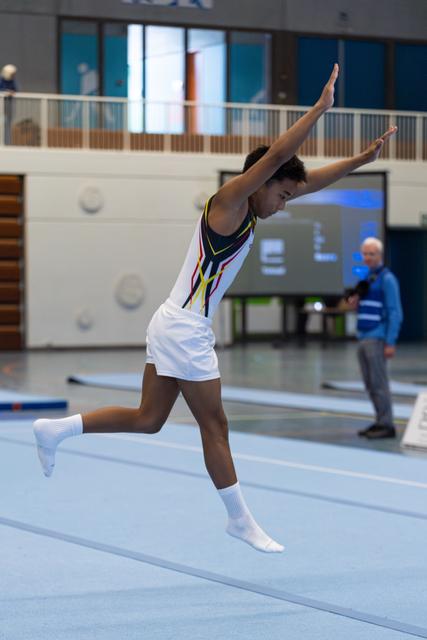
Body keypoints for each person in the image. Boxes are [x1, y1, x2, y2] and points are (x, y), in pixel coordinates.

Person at [33, 64, 397, 553]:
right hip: (184, 328)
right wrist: (318, 110)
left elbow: (309, 179)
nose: (286, 203)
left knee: (148, 419)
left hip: (174, 320)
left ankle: (57, 429)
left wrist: (362, 158)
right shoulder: (227, 203)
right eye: (283, 194)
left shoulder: (255, 209)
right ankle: (239, 518)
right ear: (261, 180)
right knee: (215, 424)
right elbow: (281, 156)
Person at [348, 237, 403, 439]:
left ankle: (387, 425)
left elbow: (394, 311)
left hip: (377, 337)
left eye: (372, 254)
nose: (368, 257)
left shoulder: (387, 279)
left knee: (379, 383)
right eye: (365, 253)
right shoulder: (368, 279)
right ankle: (380, 420)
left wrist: (390, 341)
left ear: (380, 255)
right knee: (370, 383)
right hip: (363, 335)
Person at [0, 64, 18, 145]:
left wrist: (11, 92)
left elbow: (15, 89)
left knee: (7, 123)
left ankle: (7, 142)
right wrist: (5, 92)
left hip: (8, 104)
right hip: (1, 105)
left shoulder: (12, 81)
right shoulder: (1, 80)